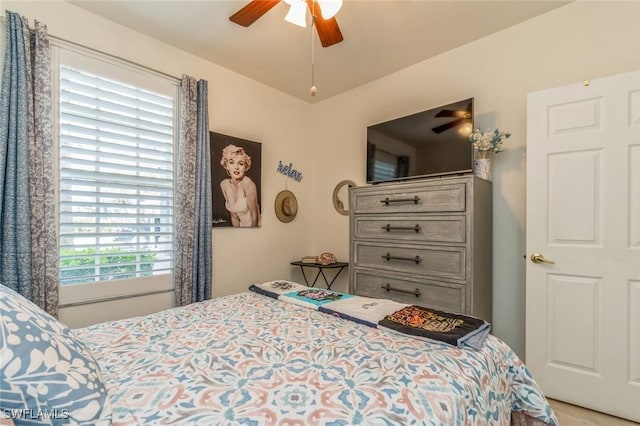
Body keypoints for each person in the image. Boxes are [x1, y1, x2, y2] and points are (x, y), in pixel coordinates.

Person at [219, 144, 260, 227]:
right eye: (232, 162)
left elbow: (255, 216)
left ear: (245, 167)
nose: (236, 167)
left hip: (255, 227)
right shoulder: (224, 185)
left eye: (240, 164)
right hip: (241, 228)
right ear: (226, 165)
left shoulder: (248, 184)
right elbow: (234, 216)